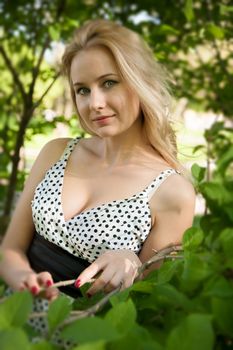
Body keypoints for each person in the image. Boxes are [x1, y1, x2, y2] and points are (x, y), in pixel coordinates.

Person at [0, 19, 195, 304]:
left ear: (140, 83)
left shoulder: (173, 192)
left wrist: (131, 262)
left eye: (109, 83)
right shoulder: (55, 153)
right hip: (13, 321)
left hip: (83, 337)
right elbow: (9, 250)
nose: (95, 103)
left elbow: (147, 305)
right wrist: (23, 280)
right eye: (83, 90)